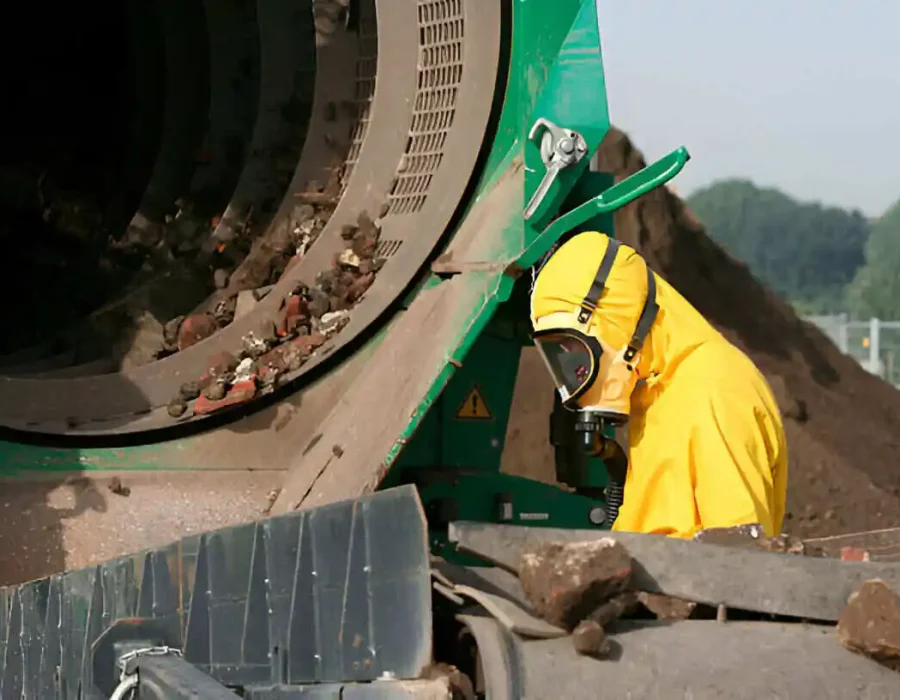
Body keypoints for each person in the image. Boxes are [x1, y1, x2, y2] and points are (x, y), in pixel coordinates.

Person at [529, 231, 788, 539]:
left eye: (574, 349)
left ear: (617, 320)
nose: (575, 373)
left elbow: (740, 557)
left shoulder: (715, 388)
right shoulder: (657, 390)